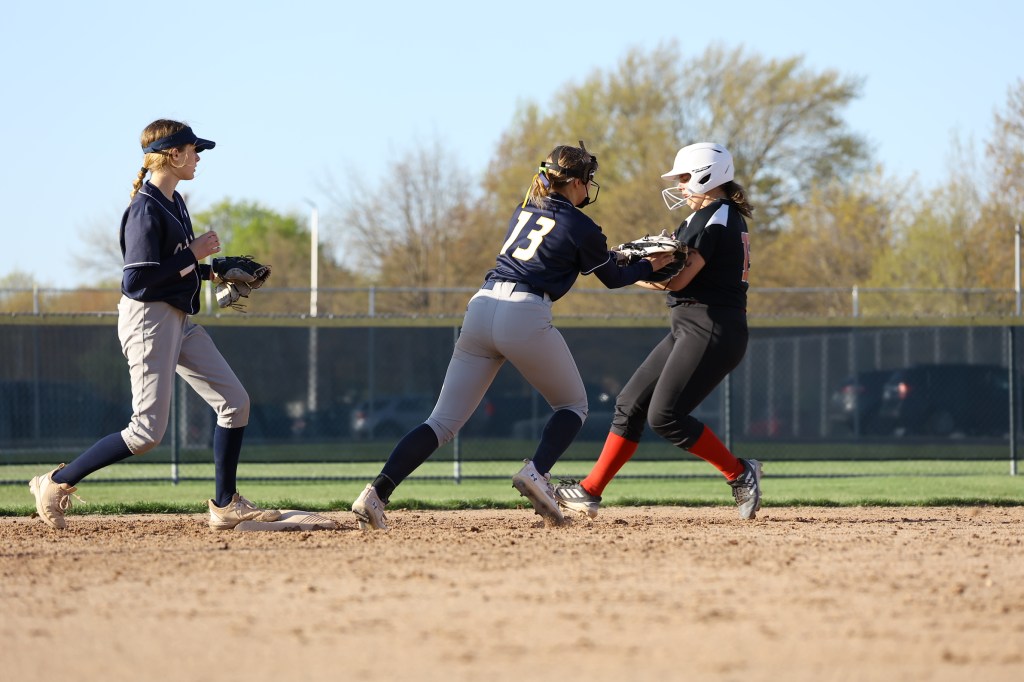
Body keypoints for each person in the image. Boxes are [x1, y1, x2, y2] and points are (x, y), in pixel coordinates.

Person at [351, 141, 677, 530]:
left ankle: (375, 493)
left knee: (441, 422)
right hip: (524, 312)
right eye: (587, 180)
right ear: (575, 182)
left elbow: (563, 251)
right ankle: (537, 471)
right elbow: (611, 277)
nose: (588, 188)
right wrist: (647, 266)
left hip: (481, 308)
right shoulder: (582, 225)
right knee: (573, 405)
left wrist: (619, 256)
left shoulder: (524, 208)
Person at [27, 119, 281, 531]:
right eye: (193, 150)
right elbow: (137, 281)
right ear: (173, 154)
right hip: (148, 320)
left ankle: (225, 504)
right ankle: (55, 482)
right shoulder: (145, 208)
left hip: (177, 318)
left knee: (235, 402)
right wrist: (193, 254)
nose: (198, 158)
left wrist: (212, 271)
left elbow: (169, 270)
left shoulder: (175, 201)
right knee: (146, 433)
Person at [554, 142, 763, 520]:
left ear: (707, 175)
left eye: (684, 177)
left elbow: (678, 281)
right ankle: (589, 490)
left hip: (711, 327)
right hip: (692, 326)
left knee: (665, 417)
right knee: (629, 404)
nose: (680, 185)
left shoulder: (715, 216)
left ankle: (740, 473)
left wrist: (625, 270)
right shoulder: (710, 216)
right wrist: (635, 266)